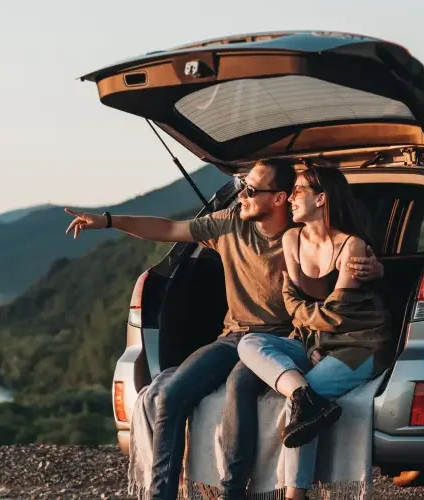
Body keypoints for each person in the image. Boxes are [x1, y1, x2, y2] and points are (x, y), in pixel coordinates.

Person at [64, 160, 384, 500]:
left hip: (285, 337)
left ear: (279, 198)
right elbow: (169, 229)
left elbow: (342, 245)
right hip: (234, 335)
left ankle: (233, 491)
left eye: (251, 189)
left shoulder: (301, 227)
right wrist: (108, 221)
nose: (241, 195)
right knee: (170, 396)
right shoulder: (231, 225)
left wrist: (377, 267)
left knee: (239, 385)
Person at [237, 166, 392, 500]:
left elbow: (339, 316)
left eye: (298, 191)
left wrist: (312, 332)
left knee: (308, 401)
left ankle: (296, 493)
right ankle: (299, 393)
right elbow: (291, 300)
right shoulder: (291, 239)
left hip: (359, 342)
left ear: (321, 198)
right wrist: (311, 344)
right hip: (314, 341)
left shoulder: (353, 245)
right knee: (250, 343)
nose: (290, 198)